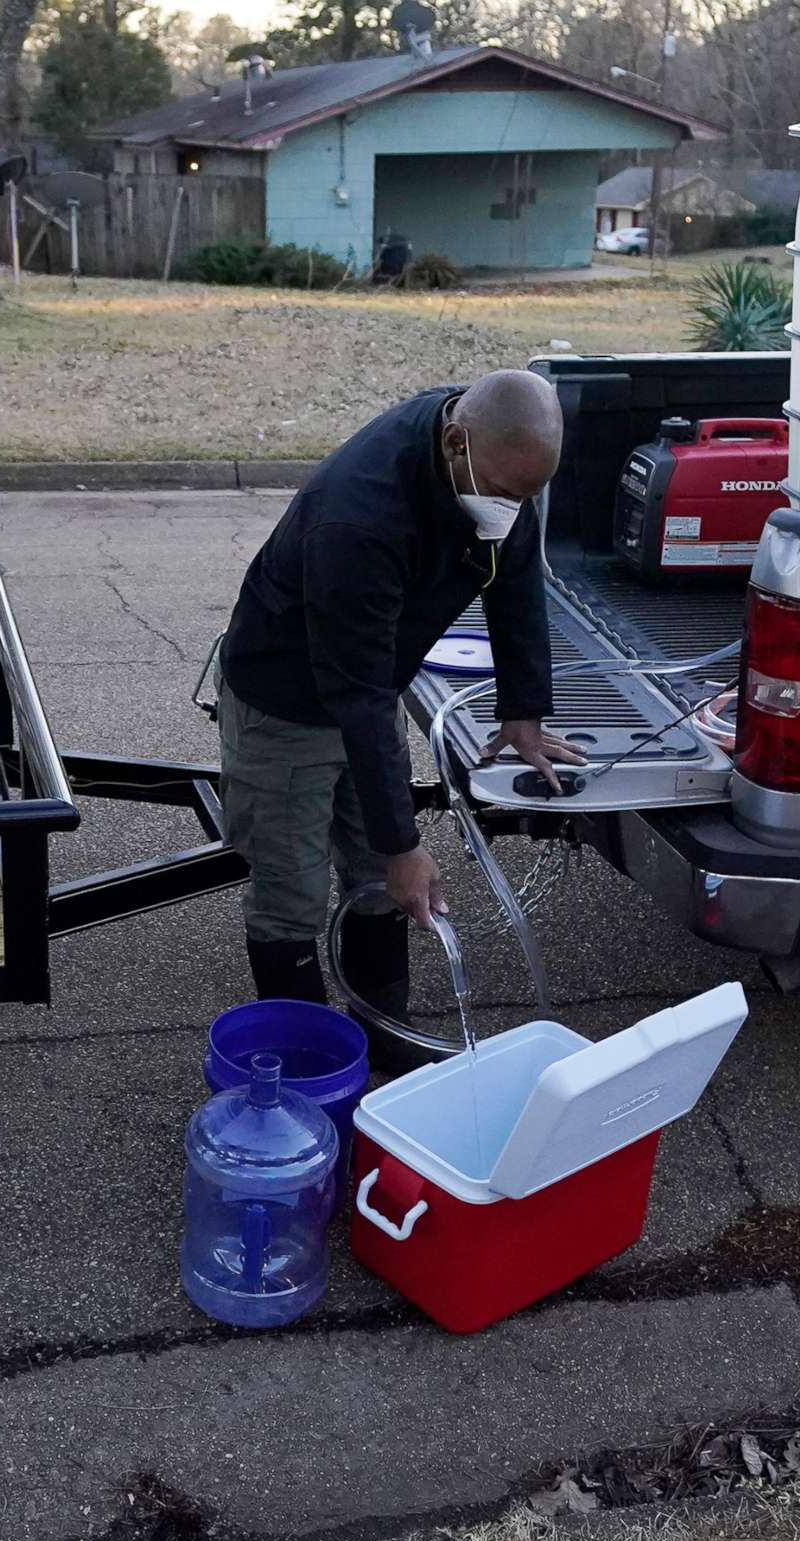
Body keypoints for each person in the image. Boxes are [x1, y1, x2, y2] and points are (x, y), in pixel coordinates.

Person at [215, 369, 583, 1048]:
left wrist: (523, 710)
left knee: (378, 877)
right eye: (506, 493)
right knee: (292, 890)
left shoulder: (493, 467)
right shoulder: (359, 514)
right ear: (454, 444)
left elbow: (517, 571)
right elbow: (355, 695)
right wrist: (405, 844)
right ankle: (304, 1060)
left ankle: (384, 1029)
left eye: (528, 495)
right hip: (286, 697)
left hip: (370, 681)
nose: (512, 507)